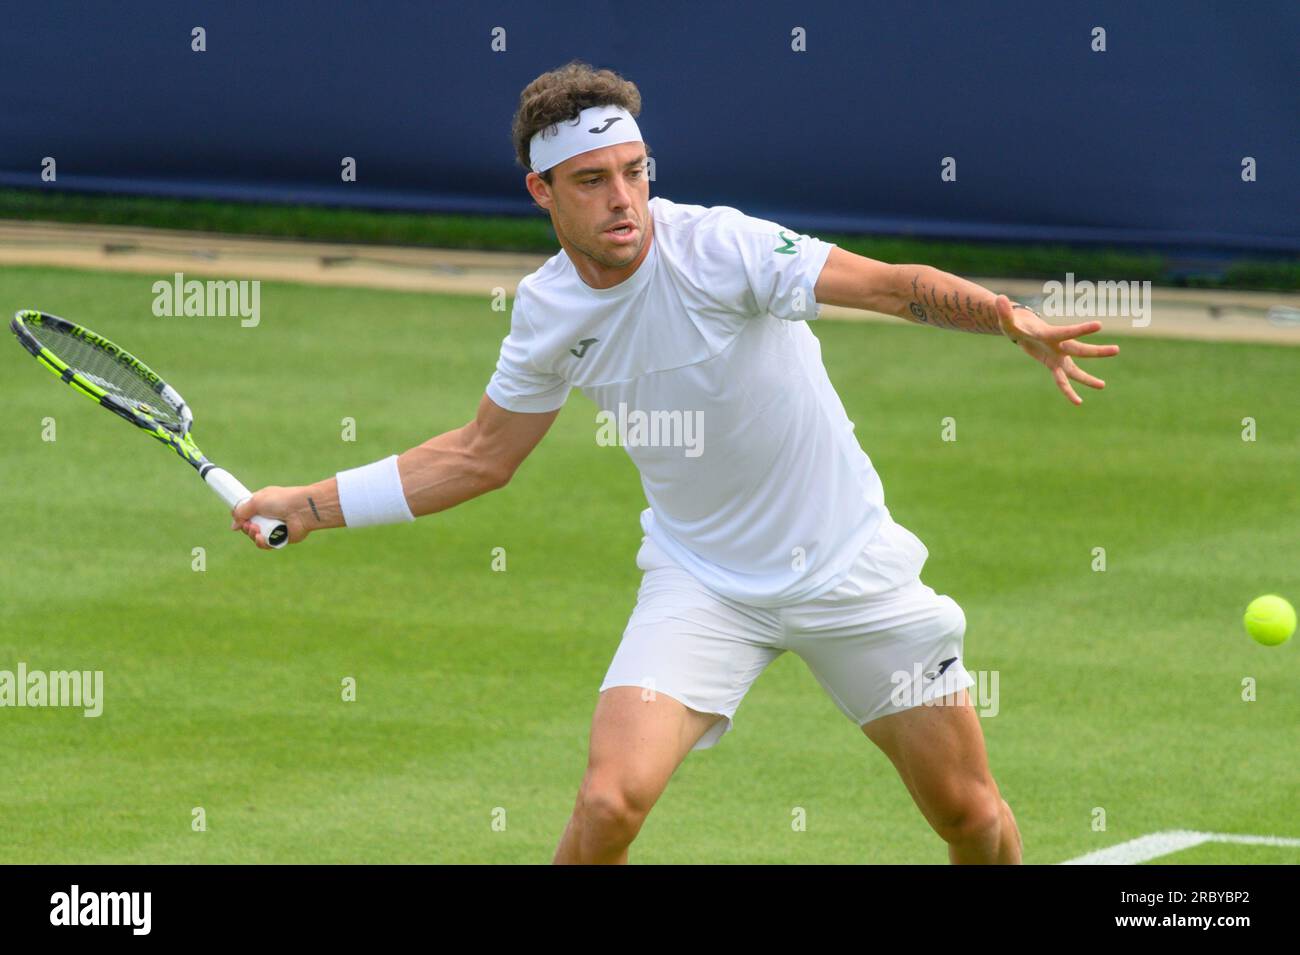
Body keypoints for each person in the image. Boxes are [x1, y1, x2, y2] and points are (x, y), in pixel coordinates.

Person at [233, 61, 1119, 864]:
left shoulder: (721, 247)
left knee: (969, 816)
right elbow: (479, 455)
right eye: (592, 181)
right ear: (541, 190)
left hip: (851, 569)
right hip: (703, 585)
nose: (624, 198)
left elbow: (886, 284)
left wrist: (1005, 315)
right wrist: (310, 506)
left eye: (635, 170)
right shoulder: (546, 313)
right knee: (610, 800)